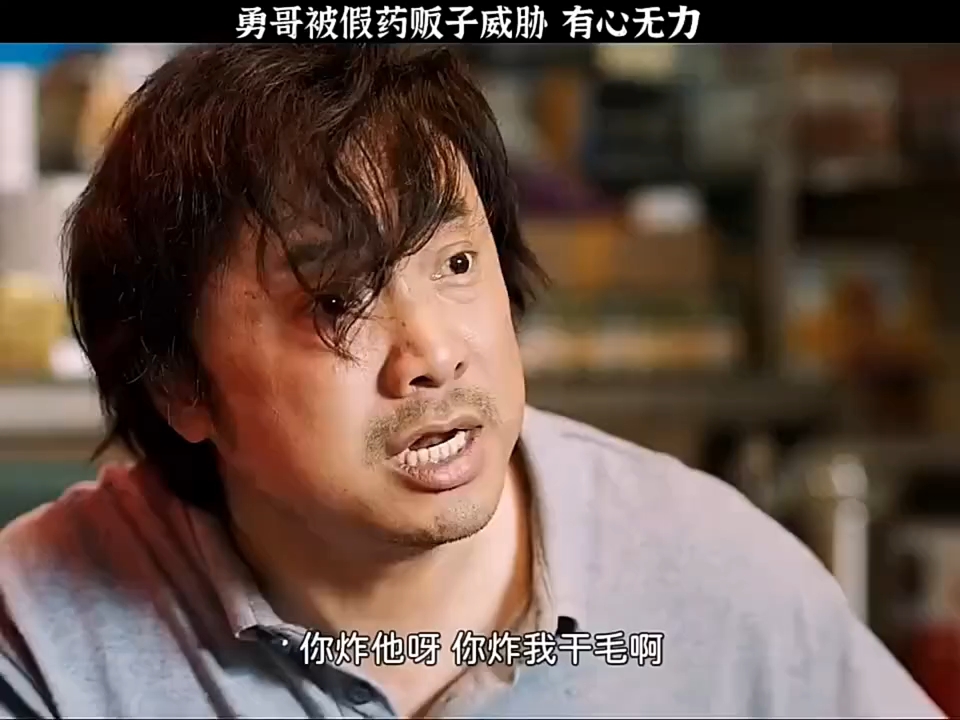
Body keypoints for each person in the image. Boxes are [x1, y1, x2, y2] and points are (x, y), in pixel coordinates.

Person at [0, 44, 942, 719]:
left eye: (455, 264)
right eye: (336, 302)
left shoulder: (714, 576)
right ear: (181, 386)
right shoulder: (43, 638)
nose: (434, 354)